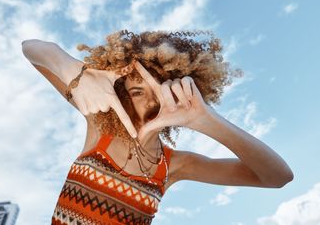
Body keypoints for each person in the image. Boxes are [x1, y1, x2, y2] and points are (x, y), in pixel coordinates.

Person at [22, 30, 294, 225]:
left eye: (163, 91)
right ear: (123, 94)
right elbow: (31, 48)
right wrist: (75, 73)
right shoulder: (99, 127)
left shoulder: (174, 165)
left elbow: (277, 178)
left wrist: (208, 121)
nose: (153, 102)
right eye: (138, 91)